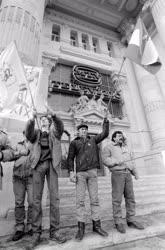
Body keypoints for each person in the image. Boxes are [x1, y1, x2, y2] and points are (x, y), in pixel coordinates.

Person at [25, 107, 67, 248]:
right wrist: (32, 118)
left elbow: (60, 127)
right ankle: (36, 233)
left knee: (54, 198)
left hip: (52, 166)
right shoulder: (36, 133)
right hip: (38, 166)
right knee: (36, 200)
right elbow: (28, 133)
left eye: (46, 120)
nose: (44, 121)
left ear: (49, 123)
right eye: (41, 120)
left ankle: (54, 231)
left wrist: (54, 115)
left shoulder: (54, 133)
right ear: (39, 122)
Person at [67, 116, 109, 241]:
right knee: (80, 201)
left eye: (85, 129)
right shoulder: (74, 143)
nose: (84, 131)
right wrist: (71, 172)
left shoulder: (94, 140)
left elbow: (105, 133)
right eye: (82, 129)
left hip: (92, 173)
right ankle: (81, 229)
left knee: (94, 200)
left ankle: (97, 226)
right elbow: (70, 158)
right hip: (80, 174)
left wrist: (105, 121)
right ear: (78, 132)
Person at [102, 130, 144, 234]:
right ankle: (118, 222)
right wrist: (116, 161)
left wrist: (135, 173)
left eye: (122, 136)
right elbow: (105, 160)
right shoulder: (108, 147)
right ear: (114, 138)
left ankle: (131, 219)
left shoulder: (126, 147)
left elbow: (132, 161)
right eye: (119, 136)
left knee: (130, 198)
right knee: (117, 199)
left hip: (128, 174)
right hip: (117, 174)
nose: (121, 137)